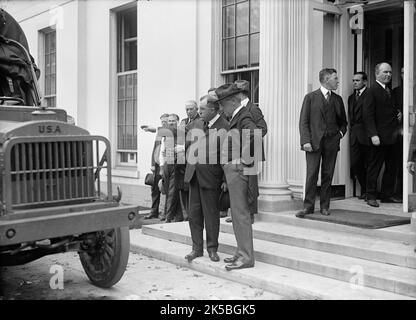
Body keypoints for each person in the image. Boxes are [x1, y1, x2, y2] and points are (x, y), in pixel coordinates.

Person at [215, 83, 259, 271]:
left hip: (239, 170)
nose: (221, 109)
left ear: (233, 101)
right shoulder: (237, 115)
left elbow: (254, 137)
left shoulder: (245, 115)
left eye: (223, 104)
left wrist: (242, 161)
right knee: (237, 213)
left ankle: (246, 257)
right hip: (235, 169)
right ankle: (241, 252)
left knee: (240, 215)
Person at [184, 95, 229, 263]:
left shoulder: (225, 127)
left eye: (202, 109)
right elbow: (188, 146)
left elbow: (227, 155)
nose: (199, 112)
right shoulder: (195, 124)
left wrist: (225, 179)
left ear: (213, 110)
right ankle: (196, 248)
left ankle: (212, 249)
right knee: (194, 215)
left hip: (211, 178)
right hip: (194, 175)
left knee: (211, 216)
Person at [297, 68, 347, 218]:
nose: (338, 81)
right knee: (311, 175)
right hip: (313, 143)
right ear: (326, 79)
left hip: (332, 142)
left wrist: (339, 135)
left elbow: (344, 123)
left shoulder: (338, 99)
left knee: (328, 175)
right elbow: (303, 122)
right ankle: (308, 207)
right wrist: (305, 141)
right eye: (335, 78)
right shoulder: (310, 98)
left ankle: (325, 206)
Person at [223, 80, 267, 225]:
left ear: (240, 94)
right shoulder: (237, 109)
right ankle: (240, 212)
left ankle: (250, 214)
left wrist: (247, 145)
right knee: (241, 185)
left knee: (251, 185)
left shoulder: (252, 109)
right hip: (240, 153)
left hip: (250, 153)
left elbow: (262, 129)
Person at [363, 62, 401, 207]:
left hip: (391, 137)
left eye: (390, 72)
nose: (388, 75)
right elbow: (367, 115)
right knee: (375, 167)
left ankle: (386, 195)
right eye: (385, 72)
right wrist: (373, 135)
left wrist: (398, 113)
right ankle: (370, 196)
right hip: (378, 138)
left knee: (391, 167)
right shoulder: (371, 91)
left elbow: (386, 110)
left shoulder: (388, 90)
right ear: (377, 73)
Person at [177, 100, 201, 221]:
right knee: (182, 187)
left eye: (191, 109)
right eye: (187, 109)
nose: (188, 111)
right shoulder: (184, 122)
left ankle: (192, 213)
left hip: (193, 159)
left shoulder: (200, 121)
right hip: (183, 161)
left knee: (192, 187)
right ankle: (186, 213)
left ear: (196, 109)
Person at [144, 113, 169, 220]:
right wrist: (152, 164)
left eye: (165, 122)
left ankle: (165, 213)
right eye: (162, 122)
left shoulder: (171, 133)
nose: (163, 124)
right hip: (157, 165)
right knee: (155, 189)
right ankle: (153, 211)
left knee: (166, 188)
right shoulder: (159, 133)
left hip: (167, 165)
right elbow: (155, 149)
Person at [348, 72, 369, 200]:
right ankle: (365, 189)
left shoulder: (370, 95)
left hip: (367, 135)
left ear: (365, 82)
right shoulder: (351, 98)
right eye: (353, 80)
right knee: (356, 164)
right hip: (354, 136)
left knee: (369, 163)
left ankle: (369, 192)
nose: (355, 83)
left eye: (357, 80)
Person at [159, 114, 183, 222]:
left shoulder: (181, 133)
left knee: (173, 191)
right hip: (166, 164)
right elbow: (162, 151)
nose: (171, 122)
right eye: (169, 121)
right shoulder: (165, 135)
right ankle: (178, 216)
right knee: (168, 190)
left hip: (177, 164)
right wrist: (161, 165)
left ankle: (168, 217)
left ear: (177, 121)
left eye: (173, 120)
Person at [392, 67, 404, 201]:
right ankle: (399, 193)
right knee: (399, 163)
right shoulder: (395, 91)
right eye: (402, 72)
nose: (404, 75)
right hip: (399, 132)